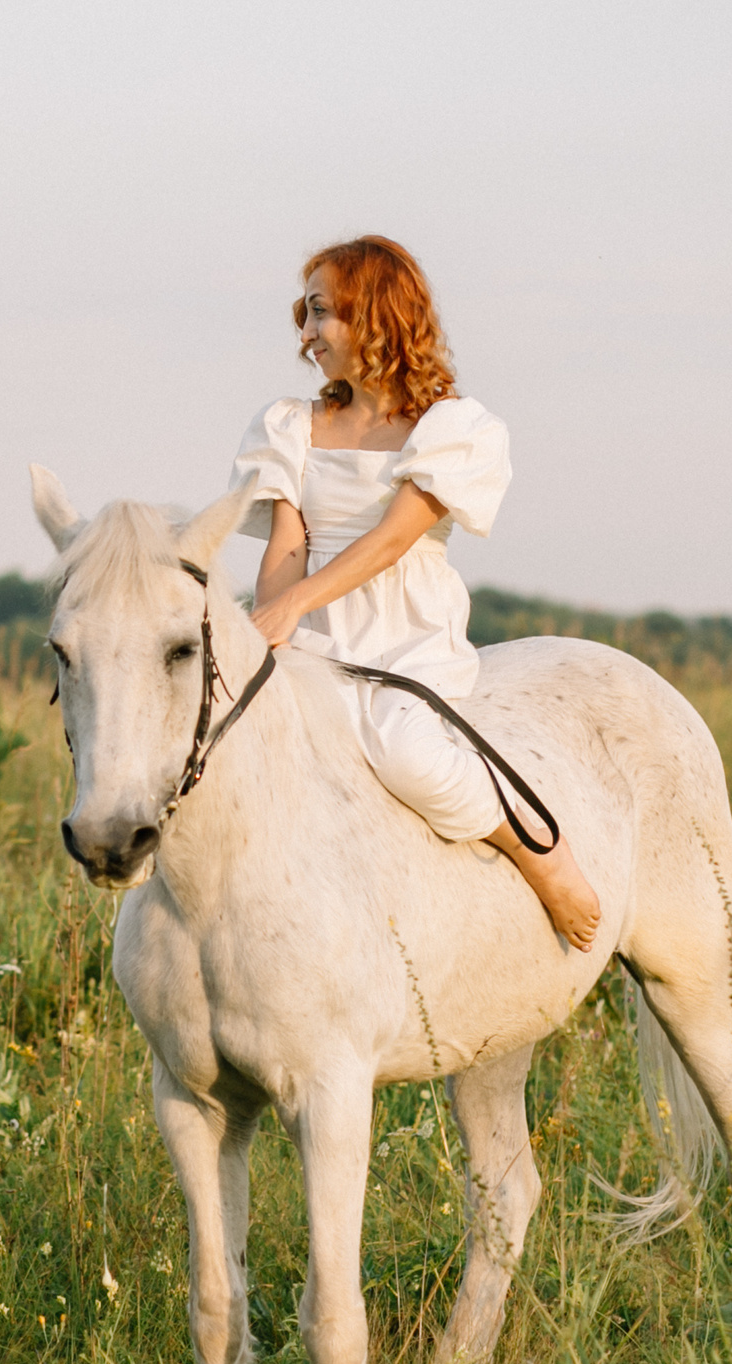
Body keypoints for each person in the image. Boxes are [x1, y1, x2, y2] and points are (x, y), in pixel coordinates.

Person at [230, 235, 602, 950]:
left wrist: (293, 606)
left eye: (320, 314)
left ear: (374, 314)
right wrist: (271, 629)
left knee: (406, 752)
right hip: (311, 623)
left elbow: (393, 539)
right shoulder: (290, 425)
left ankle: (537, 850)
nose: (305, 336)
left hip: (404, 631)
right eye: (301, 317)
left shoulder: (452, 428)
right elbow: (288, 543)